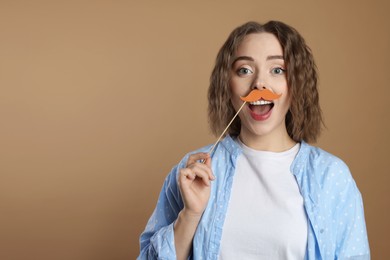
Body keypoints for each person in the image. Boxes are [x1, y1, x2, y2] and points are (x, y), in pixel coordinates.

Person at [137, 21, 370, 260]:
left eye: (277, 70)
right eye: (244, 70)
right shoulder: (194, 172)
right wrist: (191, 214)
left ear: (296, 84)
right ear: (227, 85)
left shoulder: (331, 177)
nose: (259, 83)